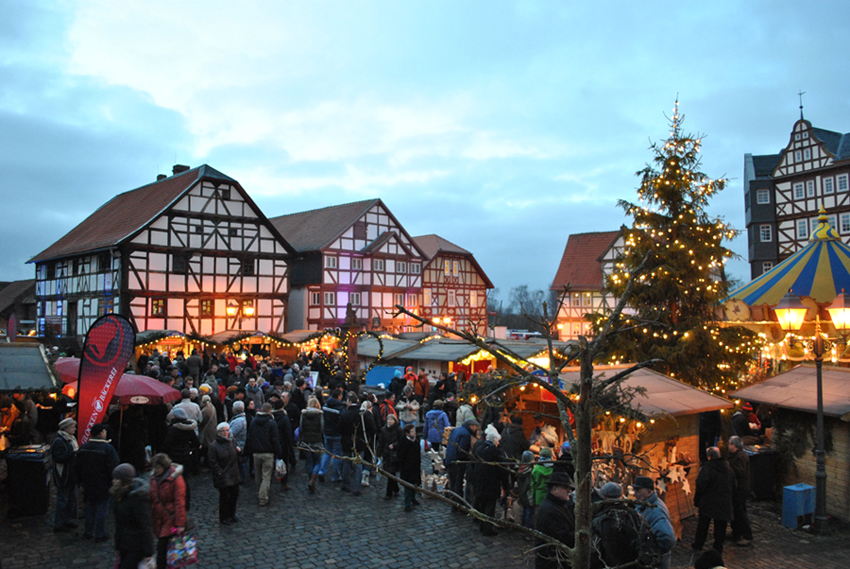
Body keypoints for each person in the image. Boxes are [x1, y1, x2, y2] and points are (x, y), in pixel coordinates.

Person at [76, 423, 120, 542]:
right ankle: (100, 533)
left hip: (88, 482)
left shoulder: (84, 447)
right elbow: (114, 466)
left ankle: (88, 531)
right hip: (103, 482)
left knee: (90, 506)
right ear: (101, 433)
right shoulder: (107, 449)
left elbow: (77, 466)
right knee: (102, 508)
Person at [591, 482, 644, 569]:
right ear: (621, 496)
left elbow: (594, 549)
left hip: (608, 565)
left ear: (603, 497)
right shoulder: (633, 514)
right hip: (632, 564)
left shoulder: (599, 519)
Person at [111, 463, 154, 569]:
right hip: (125, 544)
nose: (113, 481)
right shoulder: (120, 495)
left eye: (116, 479)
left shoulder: (138, 500)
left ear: (123, 481)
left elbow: (145, 526)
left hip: (136, 546)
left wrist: (148, 553)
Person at [692, 447, 735, 553]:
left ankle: (698, 544)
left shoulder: (707, 469)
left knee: (703, 524)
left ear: (709, 457)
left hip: (708, 502)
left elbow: (701, 485)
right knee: (721, 526)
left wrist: (697, 499)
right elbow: (734, 484)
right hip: (723, 502)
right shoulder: (728, 468)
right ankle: (718, 547)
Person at [471, 425, 510, 536]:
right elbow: (501, 471)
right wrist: (506, 486)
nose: (498, 444)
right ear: (494, 441)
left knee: (483, 505)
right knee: (490, 507)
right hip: (490, 484)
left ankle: (482, 526)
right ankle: (488, 529)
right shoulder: (495, 453)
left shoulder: (480, 448)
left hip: (479, 482)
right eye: (498, 442)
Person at [149, 453, 186, 569]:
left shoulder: (175, 479)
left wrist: (180, 524)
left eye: (158, 468)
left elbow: (179, 502)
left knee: (164, 547)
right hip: (159, 517)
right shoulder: (154, 478)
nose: (155, 470)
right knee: (164, 547)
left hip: (170, 518)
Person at [633, 476, 676, 569]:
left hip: (656, 563)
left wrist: (653, 552)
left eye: (638, 491)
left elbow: (668, 538)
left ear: (649, 492)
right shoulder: (644, 503)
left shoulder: (655, 511)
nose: (634, 494)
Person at [535, 470, 576, 569]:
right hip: (553, 561)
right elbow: (564, 537)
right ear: (554, 489)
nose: (569, 491)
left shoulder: (559, 504)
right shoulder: (550, 510)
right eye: (565, 488)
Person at [244, 402, 282, 506]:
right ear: (270, 410)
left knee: (258, 475)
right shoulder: (271, 423)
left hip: (256, 452)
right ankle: (263, 497)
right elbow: (275, 439)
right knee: (266, 476)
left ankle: (259, 491)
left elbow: (250, 437)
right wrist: (279, 452)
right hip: (268, 452)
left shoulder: (253, 422)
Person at [208, 422, 241, 525]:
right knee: (224, 497)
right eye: (223, 431)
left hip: (234, 473)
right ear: (219, 432)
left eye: (227, 430)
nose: (226, 432)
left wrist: (239, 452)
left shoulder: (232, 441)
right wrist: (219, 472)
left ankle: (231, 514)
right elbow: (212, 462)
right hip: (223, 475)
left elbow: (238, 458)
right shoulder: (214, 446)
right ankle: (224, 517)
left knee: (234, 495)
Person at [445, 417, 479, 511]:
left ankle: (453, 504)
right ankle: (458, 505)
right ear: (471, 426)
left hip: (450, 459)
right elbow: (462, 451)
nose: (476, 429)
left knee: (453, 483)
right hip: (457, 462)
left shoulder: (457, 430)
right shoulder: (466, 434)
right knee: (457, 484)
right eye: (475, 427)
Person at [51, 417, 79, 532]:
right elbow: (58, 458)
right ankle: (59, 523)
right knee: (63, 499)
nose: (75, 429)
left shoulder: (70, 439)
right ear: (66, 428)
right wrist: (73, 453)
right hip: (64, 475)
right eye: (73, 427)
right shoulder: (59, 441)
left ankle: (66, 520)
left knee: (71, 499)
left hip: (71, 474)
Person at [727, 436, 753, 546]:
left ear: (734, 445)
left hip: (740, 489)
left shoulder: (741, 457)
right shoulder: (733, 455)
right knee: (735, 511)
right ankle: (736, 532)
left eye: (729, 443)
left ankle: (747, 535)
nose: (728, 446)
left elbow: (739, 472)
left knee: (740, 512)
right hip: (734, 488)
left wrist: (728, 467)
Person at [163, 407, 201, 475]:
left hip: (174, 454)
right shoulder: (189, 427)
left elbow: (167, 443)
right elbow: (194, 439)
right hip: (186, 452)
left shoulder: (173, 429)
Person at [320, 387, 346, 483]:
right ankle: (336, 476)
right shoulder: (340, 409)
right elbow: (343, 421)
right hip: (336, 434)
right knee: (337, 455)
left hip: (327, 432)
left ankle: (321, 471)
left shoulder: (326, 406)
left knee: (327, 452)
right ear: (339, 396)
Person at [299, 396, 325, 494]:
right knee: (317, 461)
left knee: (309, 462)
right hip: (317, 440)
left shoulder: (303, 414)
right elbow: (322, 428)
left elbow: (301, 427)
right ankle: (313, 480)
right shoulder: (320, 415)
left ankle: (311, 479)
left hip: (306, 440)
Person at [397, 423, 421, 512]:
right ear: (407, 434)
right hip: (406, 468)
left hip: (415, 466)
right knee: (407, 486)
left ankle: (413, 498)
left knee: (414, 483)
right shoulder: (403, 442)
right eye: (412, 432)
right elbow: (400, 456)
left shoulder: (416, 439)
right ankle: (407, 503)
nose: (414, 433)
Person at [379, 414, 404, 499]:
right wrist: (379, 453)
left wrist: (394, 445)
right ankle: (396, 489)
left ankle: (389, 493)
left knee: (391, 472)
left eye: (391, 420)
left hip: (395, 455)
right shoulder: (383, 430)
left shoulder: (398, 429)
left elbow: (401, 441)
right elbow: (381, 442)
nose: (389, 421)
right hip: (386, 454)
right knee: (391, 473)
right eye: (388, 419)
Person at [229, 401, 249, 482]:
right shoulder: (241, 419)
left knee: (240, 463)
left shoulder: (239, 421)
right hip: (241, 443)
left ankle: (240, 478)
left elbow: (231, 433)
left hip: (239, 445)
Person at [516, 450, 536, 528]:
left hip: (523, 494)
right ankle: (528, 529)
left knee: (525, 510)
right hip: (528, 494)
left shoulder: (521, 468)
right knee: (529, 513)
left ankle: (523, 526)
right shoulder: (530, 471)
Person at [531, 447, 554, 512]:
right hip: (550, 496)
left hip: (539, 497)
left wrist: (533, 498)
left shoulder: (536, 469)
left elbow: (533, 485)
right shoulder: (554, 468)